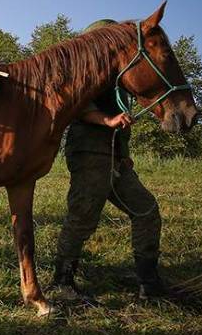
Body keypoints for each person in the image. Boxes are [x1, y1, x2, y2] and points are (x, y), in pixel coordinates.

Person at [50, 20, 168, 301]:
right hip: (90, 152)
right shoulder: (83, 74)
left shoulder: (119, 77)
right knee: (83, 216)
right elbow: (77, 106)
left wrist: (124, 156)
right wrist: (107, 120)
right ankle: (62, 281)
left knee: (146, 210)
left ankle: (148, 282)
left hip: (116, 157)